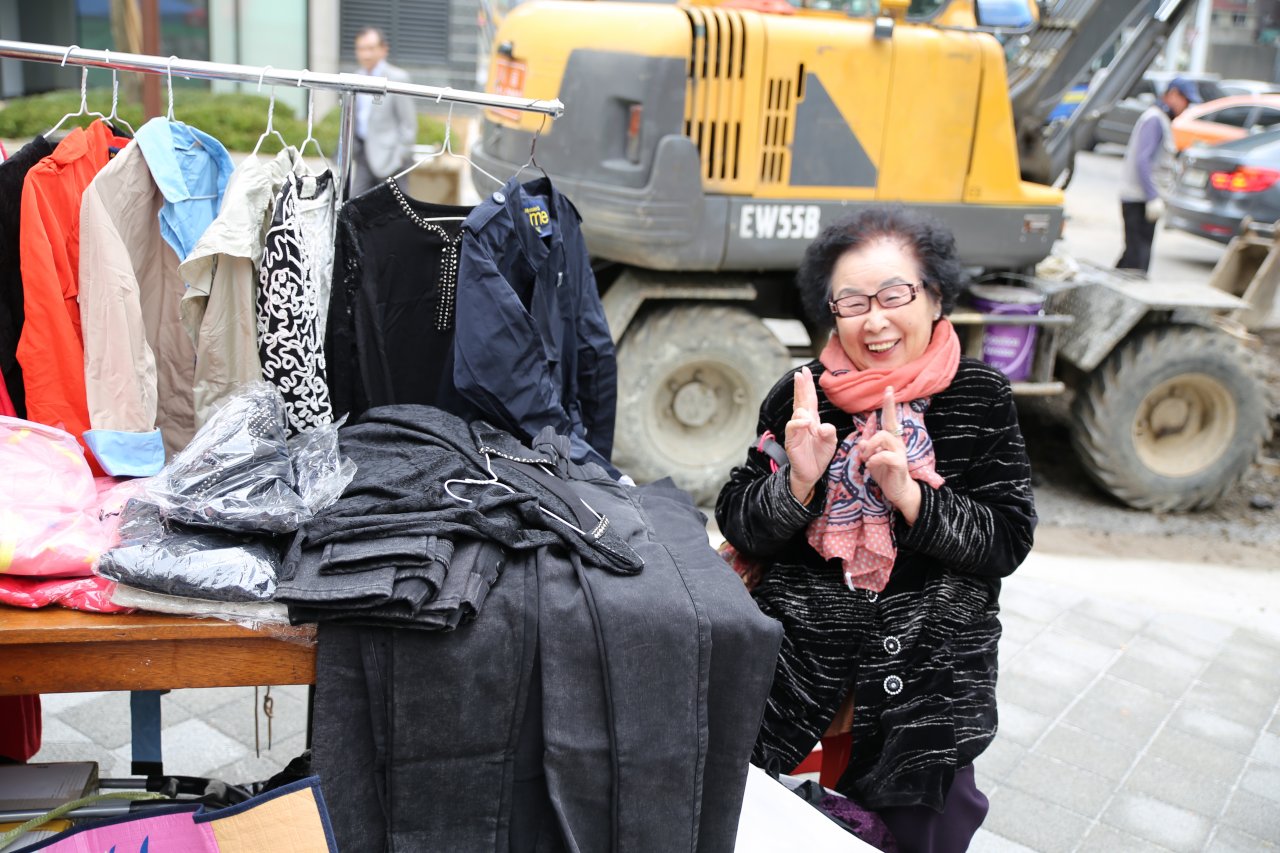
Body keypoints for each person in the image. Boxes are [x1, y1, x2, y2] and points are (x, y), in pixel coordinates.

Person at [716, 206, 1036, 852]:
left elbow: (1007, 537)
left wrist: (912, 498)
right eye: (853, 302)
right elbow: (738, 519)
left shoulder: (980, 397)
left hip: (927, 689)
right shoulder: (802, 396)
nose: (875, 320)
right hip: (795, 677)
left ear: (935, 297)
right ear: (831, 310)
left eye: (895, 295)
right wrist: (796, 484)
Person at [1117, 76, 1200, 273]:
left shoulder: (1161, 119)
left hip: (1143, 199)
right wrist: (1152, 197)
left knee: (1132, 257)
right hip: (1139, 199)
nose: (1185, 107)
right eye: (1185, 100)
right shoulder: (1155, 119)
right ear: (1173, 94)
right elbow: (1142, 160)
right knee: (1136, 263)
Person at [350, 27, 418, 197]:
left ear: (383, 49)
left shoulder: (397, 78)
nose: (366, 54)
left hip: (391, 159)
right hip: (363, 154)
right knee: (354, 204)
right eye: (361, 49)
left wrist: (401, 156)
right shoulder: (355, 77)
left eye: (370, 48)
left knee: (397, 207)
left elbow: (408, 123)